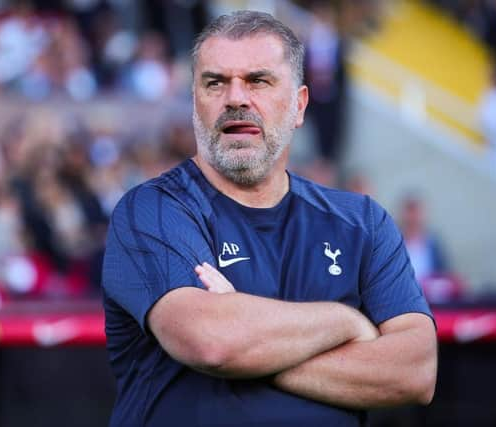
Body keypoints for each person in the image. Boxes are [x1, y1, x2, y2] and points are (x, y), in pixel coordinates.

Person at [101, 10, 437, 427]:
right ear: (194, 104)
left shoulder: (364, 224)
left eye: (258, 80)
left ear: (299, 106)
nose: (236, 98)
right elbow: (213, 344)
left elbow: (415, 373)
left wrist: (251, 340)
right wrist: (347, 322)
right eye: (215, 82)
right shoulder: (152, 210)